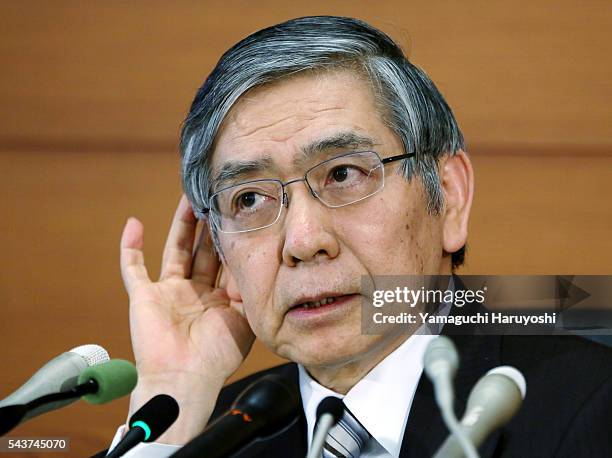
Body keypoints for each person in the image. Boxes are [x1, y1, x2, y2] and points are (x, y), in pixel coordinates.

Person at [110, 16, 612, 457]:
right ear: (221, 249)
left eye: (344, 174)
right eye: (249, 199)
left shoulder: (592, 411)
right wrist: (171, 401)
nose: (303, 241)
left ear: (450, 196)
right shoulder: (211, 434)